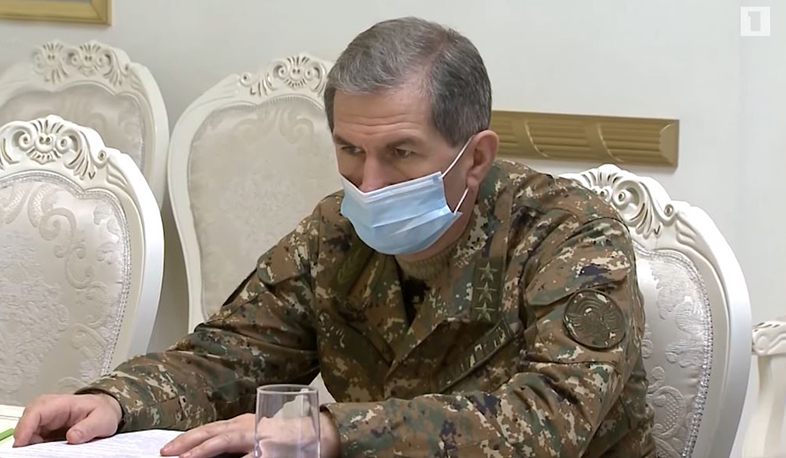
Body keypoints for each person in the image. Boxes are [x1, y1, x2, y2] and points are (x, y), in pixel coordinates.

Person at [13, 16, 654, 458]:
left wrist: (334, 432)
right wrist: (118, 401)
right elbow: (230, 355)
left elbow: (550, 419)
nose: (369, 184)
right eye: (350, 150)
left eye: (401, 152)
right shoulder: (336, 235)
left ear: (476, 158)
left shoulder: (570, 236)